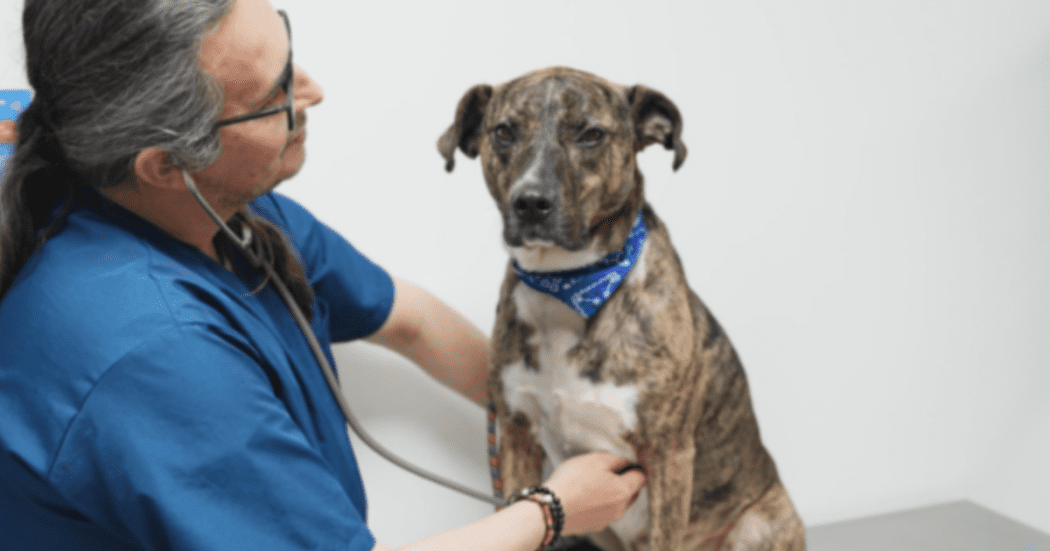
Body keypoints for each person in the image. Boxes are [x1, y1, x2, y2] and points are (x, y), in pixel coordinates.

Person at [0, 0, 647, 550]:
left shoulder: (223, 212)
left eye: (288, 52)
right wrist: (552, 509)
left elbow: (411, 321)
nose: (310, 90)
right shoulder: (152, 358)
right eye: (274, 93)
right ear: (167, 163)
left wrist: (563, 418)